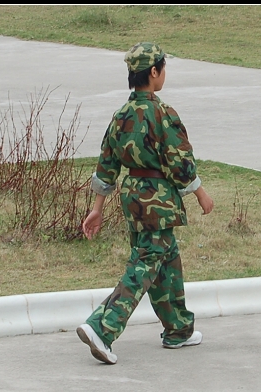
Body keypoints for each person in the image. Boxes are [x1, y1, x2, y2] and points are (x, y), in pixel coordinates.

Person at [76, 42, 214, 365]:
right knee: (145, 265)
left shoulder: (120, 116)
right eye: (163, 69)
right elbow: (181, 163)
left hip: (133, 198)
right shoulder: (163, 114)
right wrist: (200, 193)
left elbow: (106, 165)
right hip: (158, 200)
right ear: (154, 72)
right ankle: (103, 328)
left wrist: (97, 208)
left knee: (166, 260)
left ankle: (178, 329)